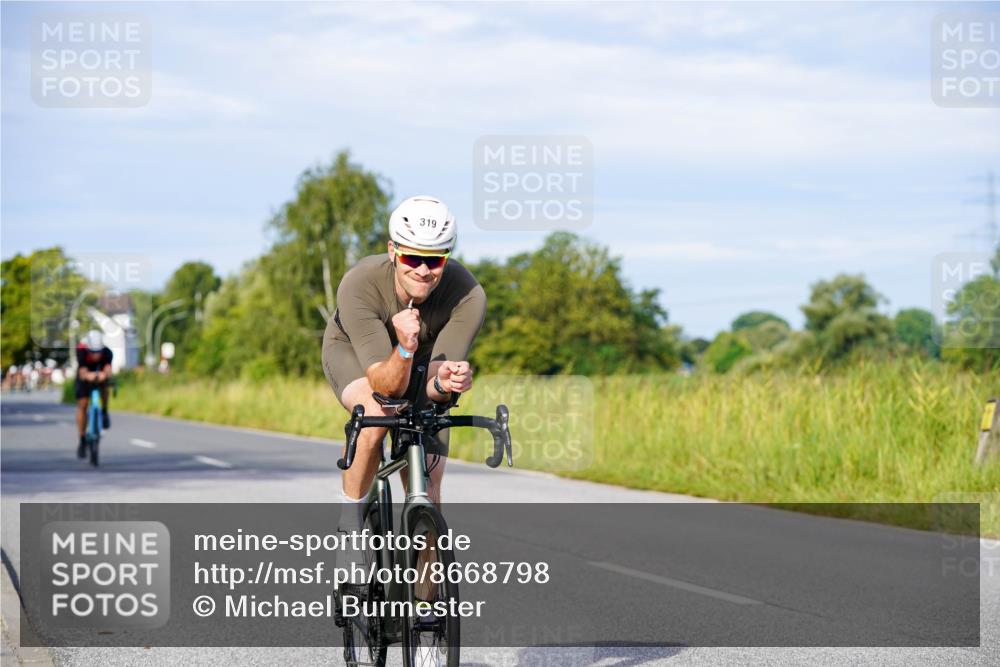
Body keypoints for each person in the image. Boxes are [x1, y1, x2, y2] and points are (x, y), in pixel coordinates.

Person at [322, 194, 486, 520]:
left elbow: (434, 381)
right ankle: (350, 522)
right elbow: (386, 385)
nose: (423, 271)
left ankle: (427, 558)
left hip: (420, 364)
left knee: (428, 480)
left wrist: (446, 380)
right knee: (375, 413)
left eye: (435, 260)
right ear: (392, 252)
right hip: (355, 353)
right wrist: (405, 348)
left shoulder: (468, 296)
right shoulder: (360, 283)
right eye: (412, 258)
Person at [75, 330, 113, 458]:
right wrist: (87, 376)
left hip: (99, 372)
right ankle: (82, 439)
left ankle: (104, 410)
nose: (96, 355)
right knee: (83, 404)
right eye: (93, 352)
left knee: (105, 388)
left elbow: (108, 370)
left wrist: (105, 375)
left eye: (98, 352)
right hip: (86, 374)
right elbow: (82, 371)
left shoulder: (107, 352)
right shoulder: (81, 350)